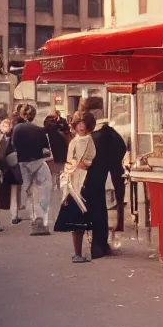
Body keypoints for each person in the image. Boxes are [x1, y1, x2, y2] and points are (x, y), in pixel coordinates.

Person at [83, 97, 127, 257]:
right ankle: (102, 244)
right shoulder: (110, 133)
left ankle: (97, 245)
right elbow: (121, 148)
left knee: (96, 211)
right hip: (108, 177)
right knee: (101, 210)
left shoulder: (92, 137)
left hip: (93, 178)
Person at [54, 112, 96, 263]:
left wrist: (80, 165)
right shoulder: (74, 141)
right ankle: (78, 253)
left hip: (86, 181)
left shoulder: (89, 140)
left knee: (85, 219)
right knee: (76, 219)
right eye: (79, 123)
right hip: (74, 183)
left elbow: (89, 160)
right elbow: (70, 162)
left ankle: (85, 251)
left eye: (84, 123)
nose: (81, 126)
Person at [12, 105, 52, 236]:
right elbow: (46, 150)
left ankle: (34, 219)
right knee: (42, 191)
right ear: (34, 115)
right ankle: (43, 220)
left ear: (22, 115)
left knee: (29, 193)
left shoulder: (16, 129)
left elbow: (13, 146)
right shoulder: (39, 130)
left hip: (23, 163)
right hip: (39, 163)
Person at [44, 109, 71, 187]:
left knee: (52, 171)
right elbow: (67, 132)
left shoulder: (47, 127)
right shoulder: (61, 125)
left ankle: (54, 184)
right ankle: (59, 184)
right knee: (60, 170)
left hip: (51, 152)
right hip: (61, 151)